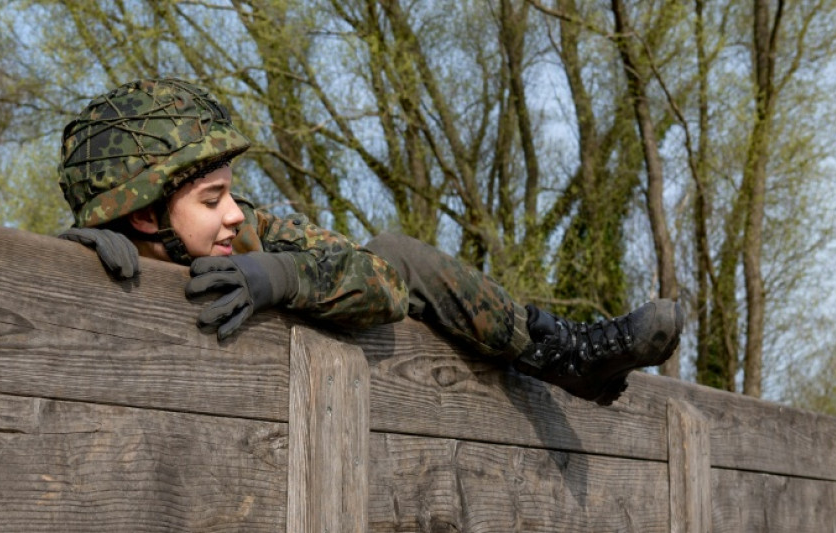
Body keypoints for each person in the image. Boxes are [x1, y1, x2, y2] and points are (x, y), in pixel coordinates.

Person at [58, 78, 683, 406]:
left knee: (397, 249)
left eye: (229, 195)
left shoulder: (251, 232)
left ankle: (561, 352)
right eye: (211, 199)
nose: (231, 216)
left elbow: (380, 281)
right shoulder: (105, 249)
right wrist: (69, 267)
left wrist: (277, 277)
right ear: (143, 219)